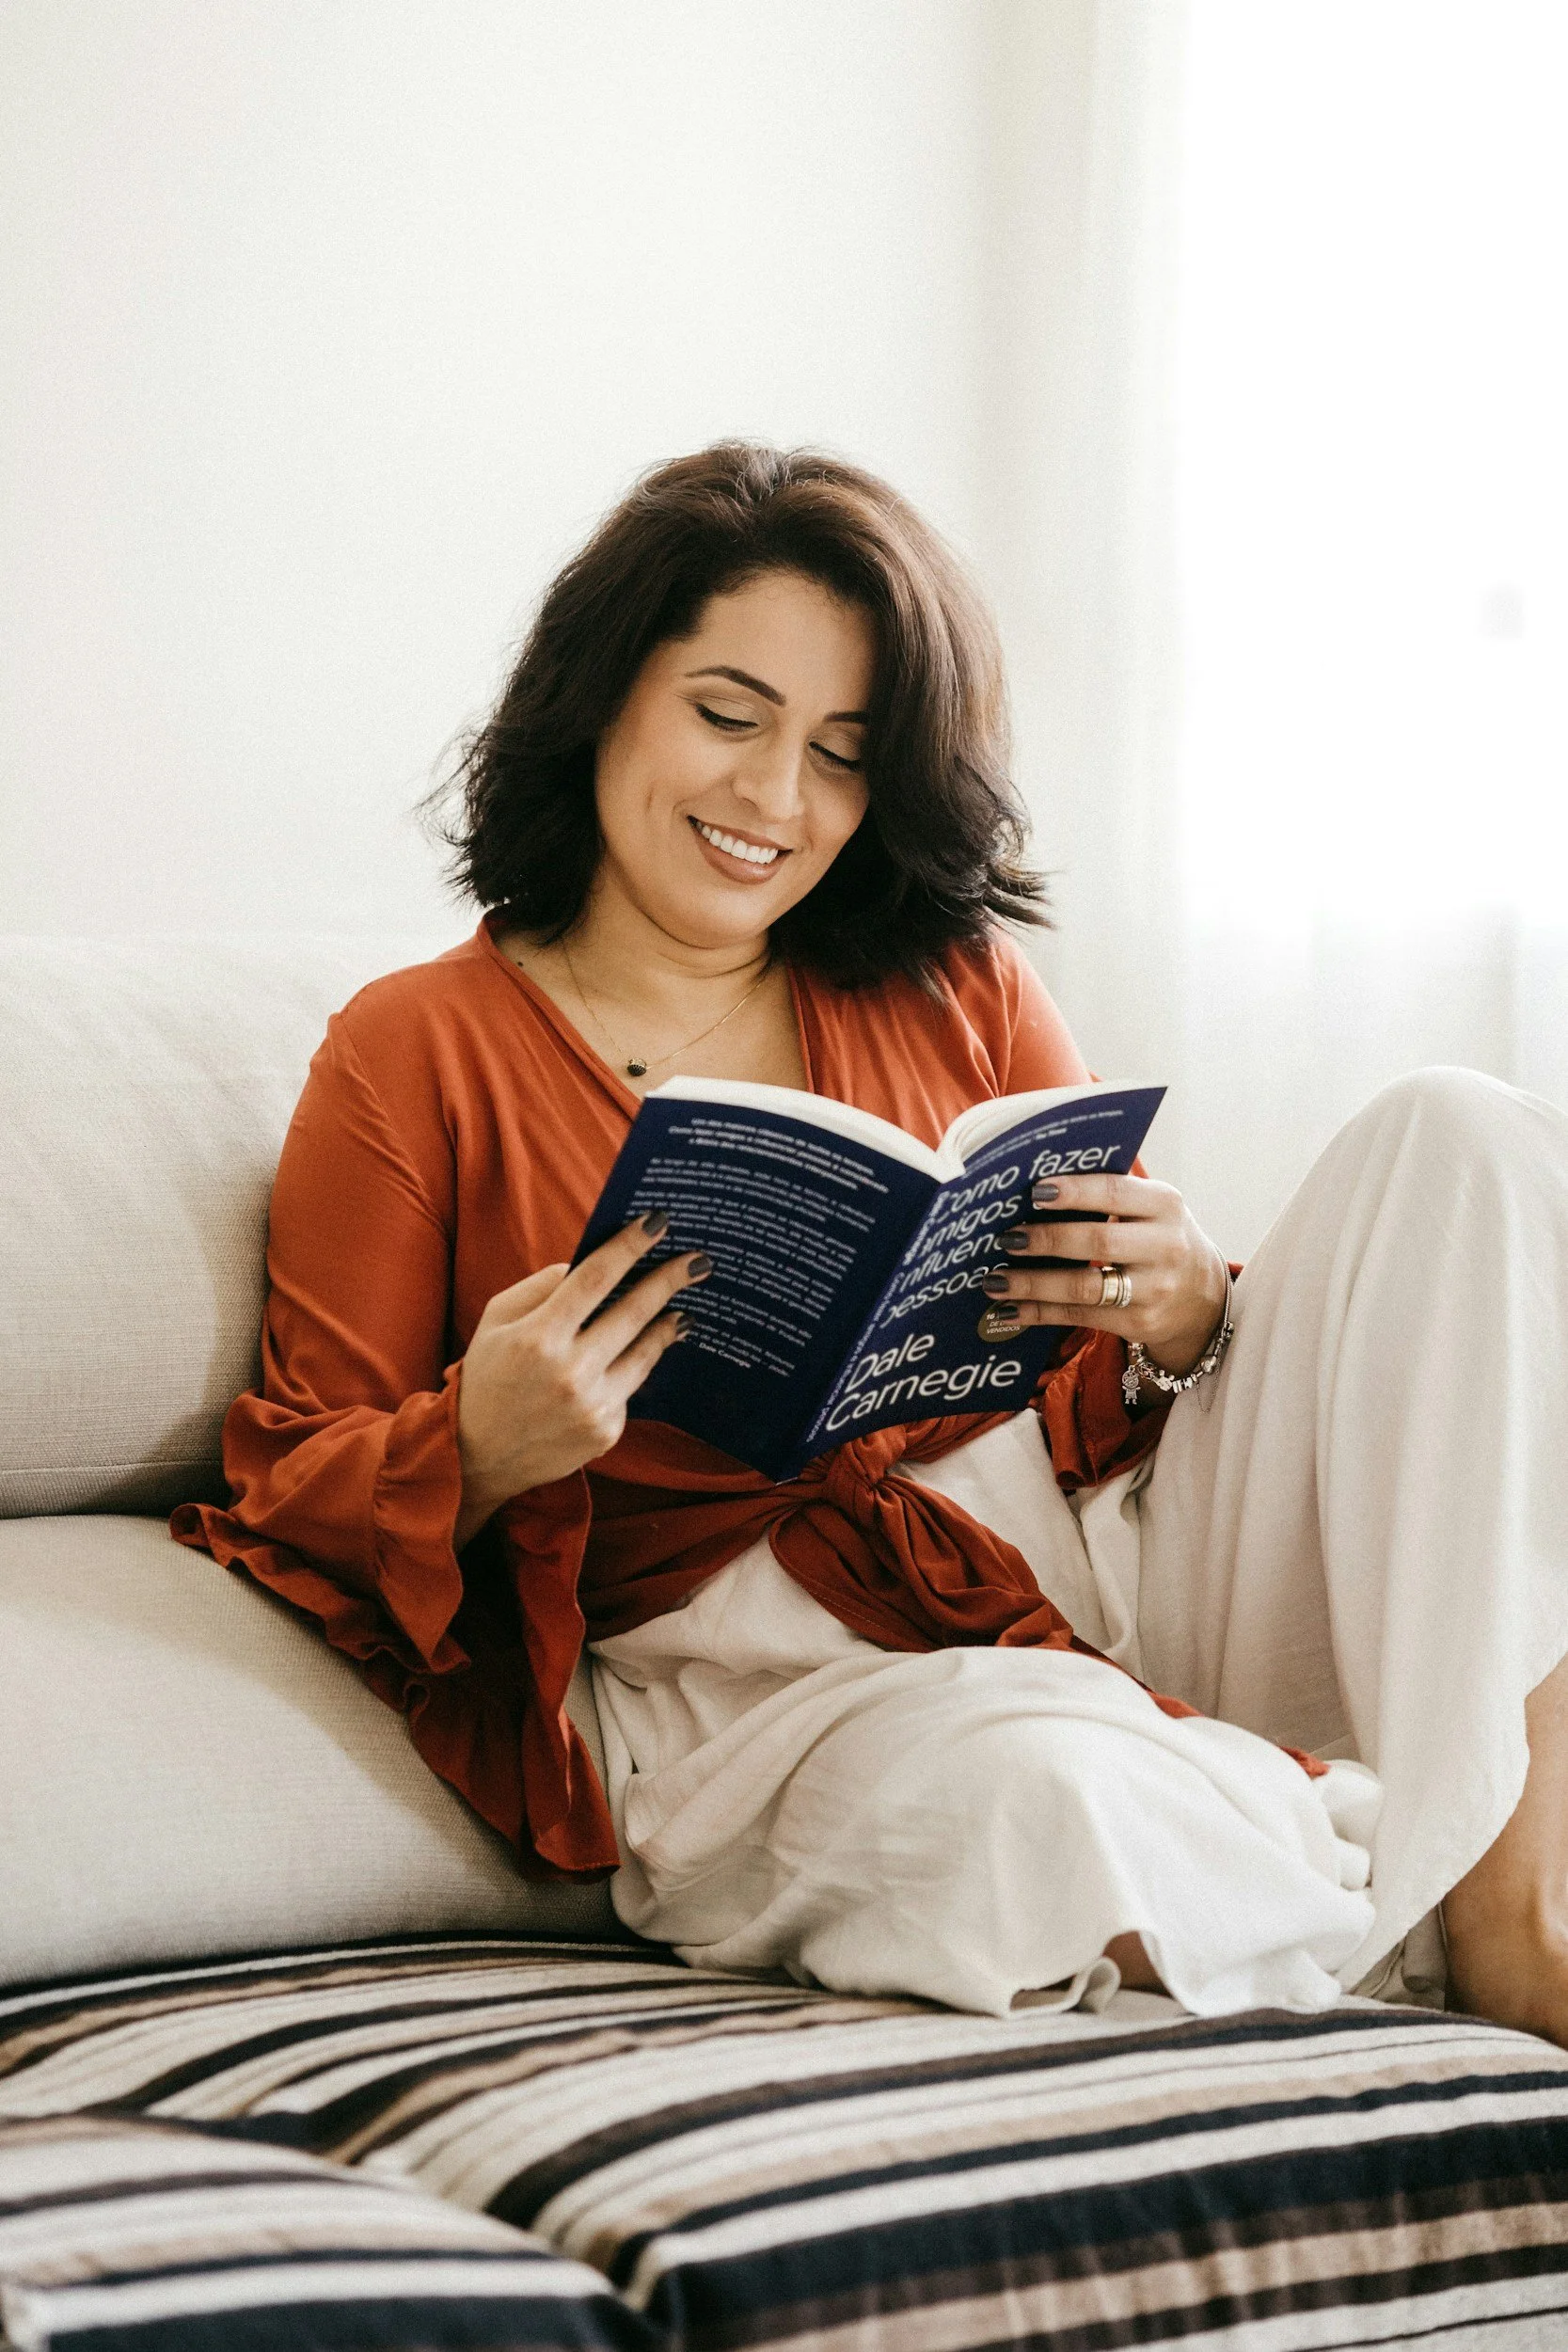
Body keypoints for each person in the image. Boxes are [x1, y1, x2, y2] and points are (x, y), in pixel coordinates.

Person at [174, 442, 1568, 2041]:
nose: (775, 800)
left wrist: (1186, 1307)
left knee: (1469, 1138)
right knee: (1036, 1793)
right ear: (603, 694)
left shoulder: (948, 979)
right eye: (726, 714)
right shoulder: (412, 1050)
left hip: (1097, 1550)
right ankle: (1352, 1868)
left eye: (842, 754)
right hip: (775, 1681)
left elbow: (1129, 1346)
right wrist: (479, 1445)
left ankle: (1505, 1913)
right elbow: (286, 1481)